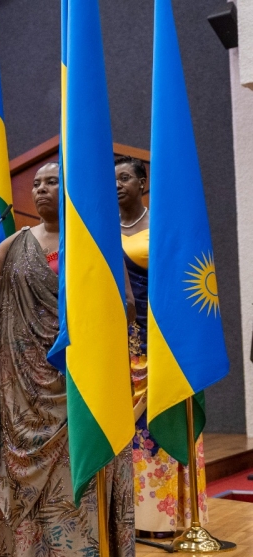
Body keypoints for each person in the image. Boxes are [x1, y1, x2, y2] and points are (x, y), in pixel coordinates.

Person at [0, 164, 136, 557]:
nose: (40, 189)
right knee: (30, 474)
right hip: (23, 384)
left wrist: (88, 333)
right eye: (35, 183)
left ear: (69, 187)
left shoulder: (92, 239)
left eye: (51, 181)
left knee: (79, 466)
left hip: (76, 376)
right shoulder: (17, 241)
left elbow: (124, 303)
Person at [116, 155, 207, 535]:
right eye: (111, 180)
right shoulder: (99, 228)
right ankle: (134, 519)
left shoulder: (163, 223)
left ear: (143, 183)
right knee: (129, 433)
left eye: (124, 178)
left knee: (162, 425)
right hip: (121, 344)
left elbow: (183, 280)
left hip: (163, 342)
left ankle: (169, 518)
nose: (116, 185)